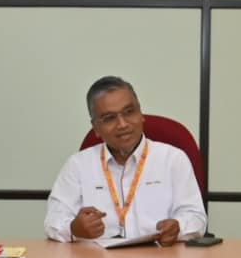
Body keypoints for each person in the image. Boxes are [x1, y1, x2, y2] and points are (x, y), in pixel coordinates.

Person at [44, 77, 206, 245]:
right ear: (96, 128)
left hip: (158, 256)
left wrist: (179, 227)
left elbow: (196, 217)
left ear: (140, 114)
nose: (122, 124)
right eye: (109, 118)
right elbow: (53, 220)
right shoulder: (78, 165)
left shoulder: (173, 159)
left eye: (129, 112)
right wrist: (73, 229)